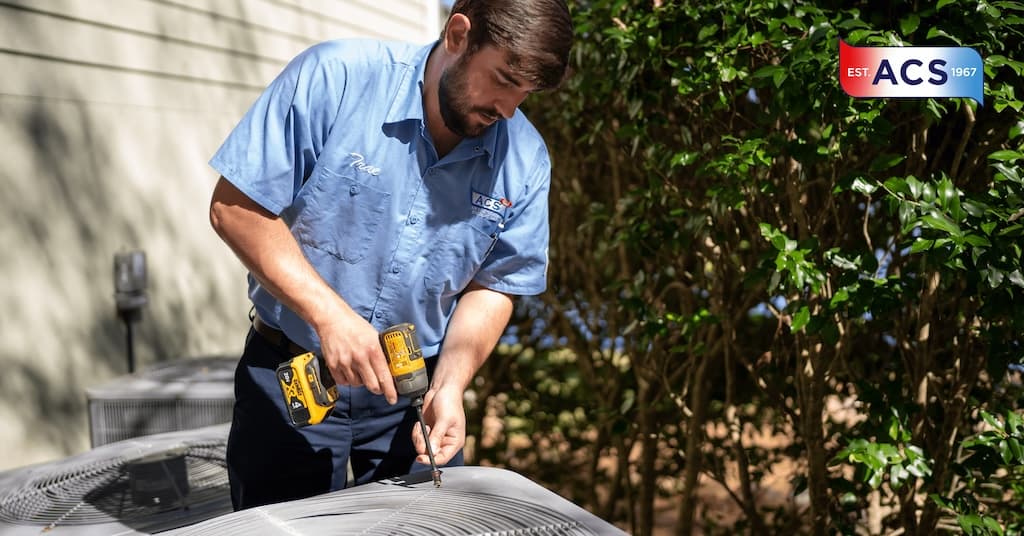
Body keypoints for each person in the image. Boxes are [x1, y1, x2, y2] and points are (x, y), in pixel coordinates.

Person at [207, 0, 573, 510]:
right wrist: (331, 319)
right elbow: (235, 209)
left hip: (412, 396)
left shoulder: (526, 160)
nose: (508, 109)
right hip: (294, 376)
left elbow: (495, 285)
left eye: (525, 93)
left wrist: (451, 383)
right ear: (458, 35)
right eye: (503, 80)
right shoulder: (335, 78)